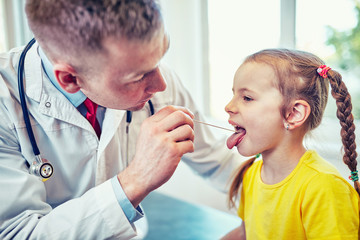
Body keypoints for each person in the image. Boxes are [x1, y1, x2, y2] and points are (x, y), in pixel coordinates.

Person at [0, 0, 242, 239]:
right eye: (138, 77)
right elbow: (19, 233)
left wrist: (276, 192)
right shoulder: (5, 101)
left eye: (159, 60)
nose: (161, 84)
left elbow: (218, 160)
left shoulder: (150, 76)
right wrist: (135, 180)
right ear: (70, 79)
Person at [221, 49, 360, 239]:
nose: (228, 106)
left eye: (247, 98)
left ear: (294, 114)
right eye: (234, 94)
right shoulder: (251, 175)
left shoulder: (324, 188)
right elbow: (245, 234)